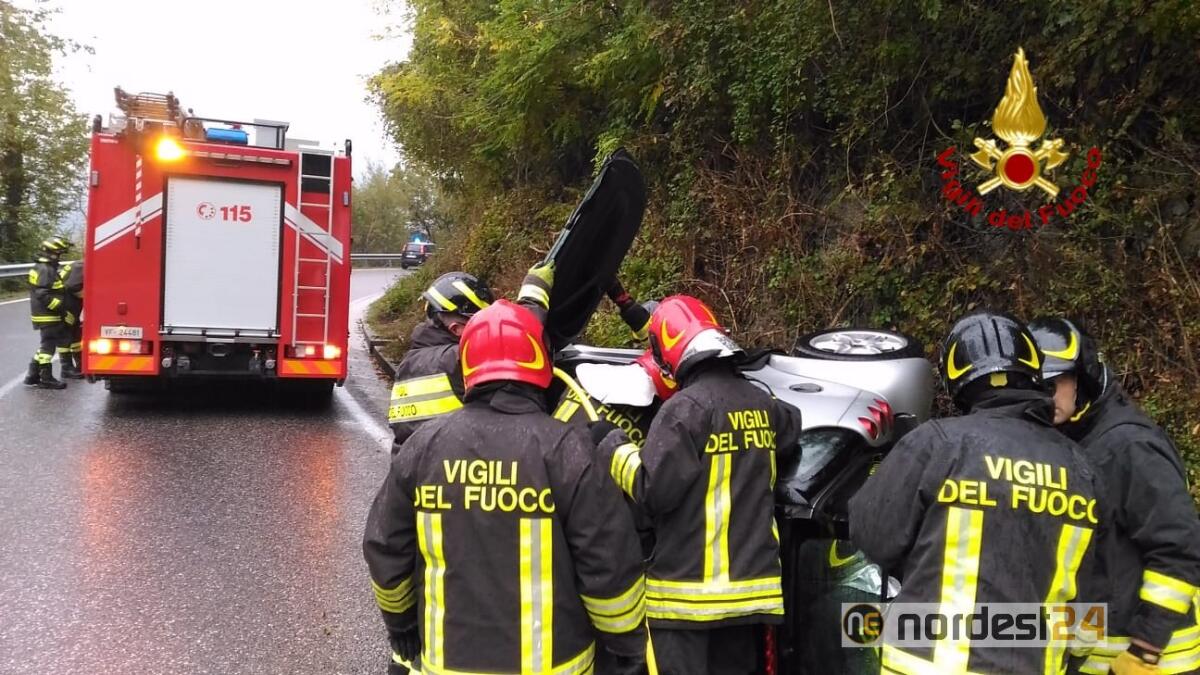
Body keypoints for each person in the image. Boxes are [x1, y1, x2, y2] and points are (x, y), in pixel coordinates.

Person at [363, 297, 649, 675]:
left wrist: (400, 624)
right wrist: (626, 644)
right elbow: (608, 563)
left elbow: (385, 547)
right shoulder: (568, 450)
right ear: (539, 363)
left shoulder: (423, 446)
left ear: (467, 366)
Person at [849, 311, 1105, 674]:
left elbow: (871, 536)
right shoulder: (1083, 470)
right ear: (1035, 373)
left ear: (957, 381)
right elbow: (1094, 593)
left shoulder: (935, 444)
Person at [593, 295, 803, 675]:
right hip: (750, 600)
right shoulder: (762, 404)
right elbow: (791, 428)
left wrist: (612, 445)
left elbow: (651, 491)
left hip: (686, 602)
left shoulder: (683, 411)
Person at [1031, 317, 1200, 675]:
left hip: (1151, 661)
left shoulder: (1129, 446)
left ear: (1082, 378)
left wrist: (1145, 650)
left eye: (1053, 384)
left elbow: (1180, 551)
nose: (1045, 398)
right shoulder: (1072, 439)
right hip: (1094, 655)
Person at [386, 272, 495, 453]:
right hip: (451, 472)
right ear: (457, 329)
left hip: (409, 471)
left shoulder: (409, 363)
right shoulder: (456, 359)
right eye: (481, 324)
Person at [24, 236, 72, 390]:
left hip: (44, 314)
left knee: (46, 344)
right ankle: (46, 378)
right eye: (58, 253)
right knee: (48, 347)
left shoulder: (43, 267)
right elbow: (43, 294)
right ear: (50, 253)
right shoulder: (45, 270)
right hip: (48, 314)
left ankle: (32, 374)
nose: (59, 256)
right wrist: (60, 308)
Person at [57, 259, 85, 379]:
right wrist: (87, 294)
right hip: (66, 305)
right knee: (65, 336)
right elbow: (73, 286)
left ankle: (80, 365)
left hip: (70, 305)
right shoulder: (82, 266)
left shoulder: (79, 264)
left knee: (75, 335)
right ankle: (66, 368)